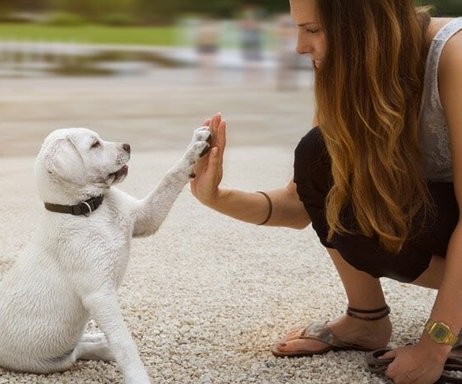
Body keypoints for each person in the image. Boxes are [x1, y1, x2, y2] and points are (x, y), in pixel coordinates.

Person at [190, 0, 462, 383]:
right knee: (320, 155)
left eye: (313, 30)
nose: (299, 46)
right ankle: (366, 319)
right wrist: (214, 196)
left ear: (364, 25)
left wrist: (434, 345)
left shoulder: (454, 54)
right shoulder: (349, 68)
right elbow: (303, 203)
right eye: (298, 28)